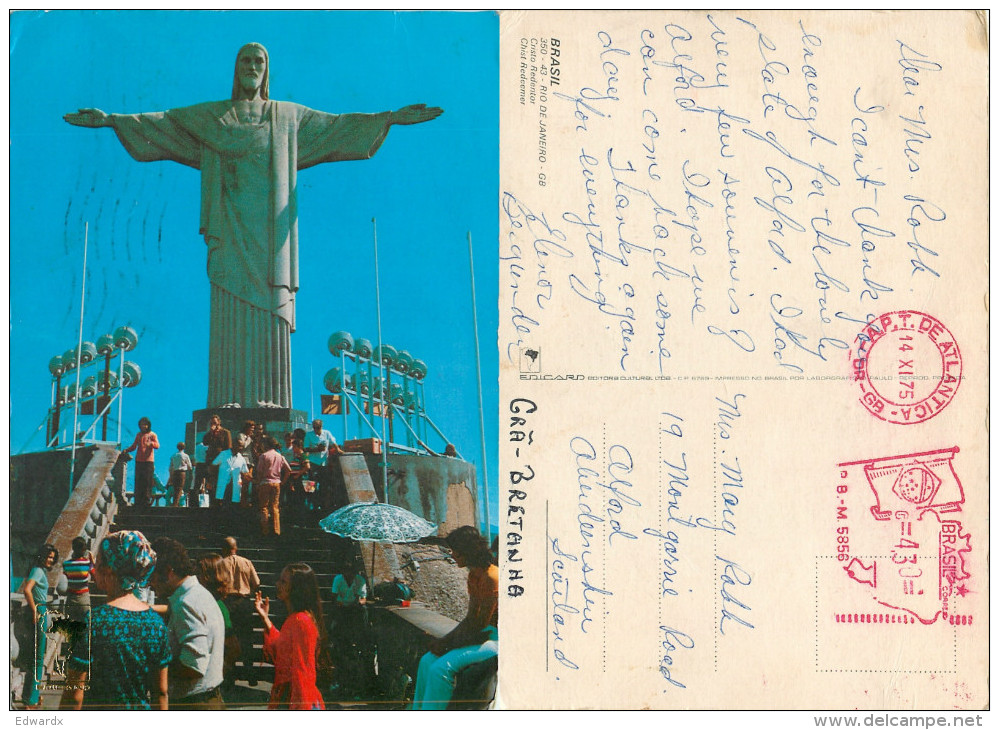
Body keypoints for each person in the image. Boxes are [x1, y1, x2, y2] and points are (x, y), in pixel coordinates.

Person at [64, 43, 442, 410]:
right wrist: (113, 120)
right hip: (228, 227)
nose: (251, 66)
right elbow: (163, 124)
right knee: (229, 304)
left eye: (258, 61)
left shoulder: (288, 117)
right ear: (236, 68)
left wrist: (388, 117)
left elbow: (336, 127)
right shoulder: (211, 118)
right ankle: (225, 398)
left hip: (272, 236)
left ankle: (274, 401)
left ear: (266, 71)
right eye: (245, 60)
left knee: (271, 302)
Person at [60, 531, 170, 710]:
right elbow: (161, 692)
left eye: (100, 563)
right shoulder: (155, 623)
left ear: (109, 570)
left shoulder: (93, 621)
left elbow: (74, 696)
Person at [411, 526, 498, 710]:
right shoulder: (474, 575)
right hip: (482, 636)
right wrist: (444, 641)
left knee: (441, 669)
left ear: (467, 551)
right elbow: (470, 619)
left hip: (495, 640)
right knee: (427, 661)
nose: (452, 555)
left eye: (455, 551)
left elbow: (480, 626)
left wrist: (447, 645)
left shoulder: (491, 577)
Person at [149, 537, 226, 709]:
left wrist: (153, 669)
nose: (150, 583)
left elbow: (193, 666)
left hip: (194, 704)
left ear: (168, 572)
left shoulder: (186, 603)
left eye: (152, 576)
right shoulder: (196, 594)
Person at [253, 563, 329, 710]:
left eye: (283, 582)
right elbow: (281, 647)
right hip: (291, 695)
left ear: (297, 589)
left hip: (297, 698)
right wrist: (265, 618)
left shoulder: (301, 621)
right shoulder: (295, 619)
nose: (277, 584)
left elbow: (302, 671)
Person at [18, 544, 58, 709]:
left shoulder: (38, 570)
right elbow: (27, 590)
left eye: (52, 558)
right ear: (41, 556)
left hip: (37, 610)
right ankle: (32, 700)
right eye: (48, 557)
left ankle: (30, 697)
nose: (50, 560)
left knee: (34, 656)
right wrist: (35, 611)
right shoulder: (38, 571)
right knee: (38, 658)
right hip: (39, 610)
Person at [195, 554, 241, 691]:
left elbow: (234, 647)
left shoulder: (217, 606)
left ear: (208, 577)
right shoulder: (213, 603)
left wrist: (221, 670)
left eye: (199, 573)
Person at [220, 537, 261, 686]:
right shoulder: (246, 562)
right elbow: (256, 583)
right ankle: (250, 673)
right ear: (235, 548)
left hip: (228, 603)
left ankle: (230, 675)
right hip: (244, 602)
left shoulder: (221, 563)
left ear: (224, 549)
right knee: (246, 639)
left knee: (229, 639)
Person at [329, 560, 371, 698]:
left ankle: (360, 634)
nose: (349, 576)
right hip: (341, 608)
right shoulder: (338, 580)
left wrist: (358, 602)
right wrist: (342, 604)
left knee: (362, 610)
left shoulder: (360, 580)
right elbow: (335, 597)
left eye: (351, 573)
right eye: (346, 573)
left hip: (354, 609)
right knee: (339, 615)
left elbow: (363, 598)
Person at [255, 436, 291, 538]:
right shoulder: (280, 456)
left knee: (264, 507)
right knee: (275, 507)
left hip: (265, 482)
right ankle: (276, 530)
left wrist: (258, 482)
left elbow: (259, 471)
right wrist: (282, 482)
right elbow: (289, 470)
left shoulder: (263, 456)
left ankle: (265, 530)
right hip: (277, 483)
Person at [123, 417, 159, 507]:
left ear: (148, 425)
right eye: (142, 424)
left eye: (145, 424)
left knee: (147, 481)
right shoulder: (138, 435)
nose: (144, 426)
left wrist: (151, 444)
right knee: (139, 481)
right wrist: (126, 450)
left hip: (148, 461)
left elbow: (157, 445)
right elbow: (134, 446)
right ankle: (138, 501)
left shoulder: (152, 435)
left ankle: (146, 501)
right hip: (139, 460)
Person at [303, 419, 336, 509]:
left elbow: (333, 443)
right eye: (314, 427)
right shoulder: (309, 435)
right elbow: (305, 448)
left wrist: (338, 450)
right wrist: (316, 449)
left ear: (321, 427)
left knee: (324, 485)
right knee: (310, 485)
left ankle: (322, 505)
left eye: (318, 427)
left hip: (324, 463)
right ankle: (309, 505)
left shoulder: (327, 433)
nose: (316, 429)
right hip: (313, 462)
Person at [213, 433, 251, 510]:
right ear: (234, 444)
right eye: (239, 446)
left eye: (242, 447)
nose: (241, 448)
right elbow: (213, 465)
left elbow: (245, 473)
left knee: (233, 508)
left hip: (235, 487)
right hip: (223, 485)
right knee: (221, 507)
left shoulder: (241, 458)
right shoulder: (224, 454)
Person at [62, 537, 95, 624]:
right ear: (84, 549)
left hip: (71, 598)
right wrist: (92, 561)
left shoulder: (66, 564)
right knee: (85, 625)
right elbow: (95, 577)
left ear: (73, 548)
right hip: (83, 598)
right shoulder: (87, 563)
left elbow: (64, 580)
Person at [201, 414, 231, 498]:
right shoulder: (209, 434)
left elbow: (228, 447)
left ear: (219, 422)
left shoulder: (225, 432)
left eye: (214, 422)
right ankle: (212, 501)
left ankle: (220, 501)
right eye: (211, 423)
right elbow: (205, 442)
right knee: (210, 482)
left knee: (221, 482)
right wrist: (211, 433)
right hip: (211, 460)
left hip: (221, 460)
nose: (213, 424)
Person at [168, 442, 193, 507]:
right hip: (182, 473)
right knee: (180, 488)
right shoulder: (185, 456)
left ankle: (175, 503)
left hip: (175, 472)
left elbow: (171, 467)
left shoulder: (173, 456)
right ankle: (176, 504)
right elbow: (190, 466)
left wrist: (170, 476)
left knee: (175, 488)